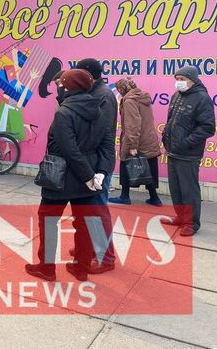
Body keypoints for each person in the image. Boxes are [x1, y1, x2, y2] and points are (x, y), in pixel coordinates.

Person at [24, 69, 114, 282]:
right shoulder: (99, 111)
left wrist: (90, 176)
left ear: (68, 87)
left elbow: (69, 149)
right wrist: (100, 173)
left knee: (48, 220)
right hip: (87, 178)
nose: (59, 87)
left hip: (61, 177)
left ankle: (47, 268)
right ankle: (81, 268)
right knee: (84, 223)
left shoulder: (64, 113)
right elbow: (108, 147)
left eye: (61, 84)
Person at [161, 66, 216, 236]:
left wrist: (186, 142)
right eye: (177, 79)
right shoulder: (176, 96)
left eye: (182, 79)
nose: (179, 82)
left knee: (188, 190)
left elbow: (207, 128)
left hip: (189, 153)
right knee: (176, 189)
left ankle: (191, 223)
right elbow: (171, 121)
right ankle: (181, 217)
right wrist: (165, 139)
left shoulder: (202, 98)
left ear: (192, 80)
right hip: (173, 151)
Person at [76, 58, 117, 273]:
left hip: (99, 162)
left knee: (98, 210)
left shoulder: (103, 96)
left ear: (88, 75)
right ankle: (91, 248)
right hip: (92, 160)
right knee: (88, 210)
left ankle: (105, 257)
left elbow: (100, 133)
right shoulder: (94, 92)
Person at [109, 78, 163, 206]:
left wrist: (133, 145)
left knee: (127, 166)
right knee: (148, 168)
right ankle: (154, 198)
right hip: (148, 139)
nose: (119, 92)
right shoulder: (143, 98)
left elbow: (133, 124)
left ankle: (124, 196)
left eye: (119, 89)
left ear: (123, 89)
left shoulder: (129, 101)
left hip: (136, 140)